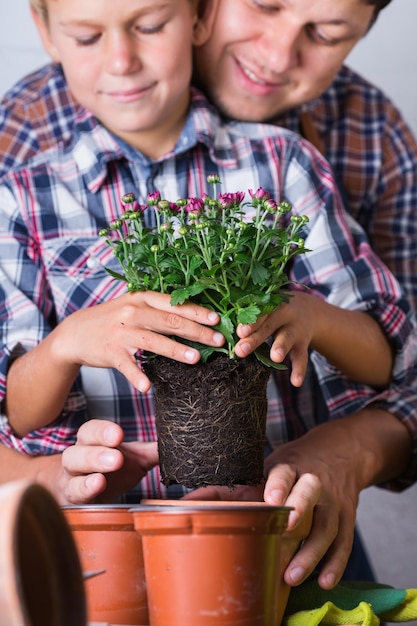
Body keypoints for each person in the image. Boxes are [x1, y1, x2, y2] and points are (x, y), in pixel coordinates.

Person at [0, 0, 416, 591]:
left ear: (196, 16)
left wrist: (311, 323)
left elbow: (395, 361)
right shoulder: (22, 176)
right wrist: (67, 346)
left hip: (273, 522)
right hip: (104, 540)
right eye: (87, 35)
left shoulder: (289, 160)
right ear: (46, 33)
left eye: (149, 26)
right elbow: (15, 405)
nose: (121, 60)